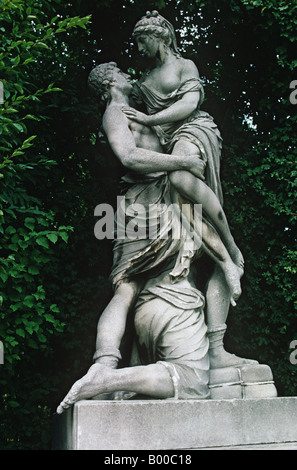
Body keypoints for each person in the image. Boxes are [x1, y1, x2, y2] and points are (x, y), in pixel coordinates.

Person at [56, 62, 246, 413]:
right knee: (128, 286)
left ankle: (106, 365)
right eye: (121, 72)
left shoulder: (135, 112)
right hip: (141, 201)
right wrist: (181, 164)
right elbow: (128, 155)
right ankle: (105, 366)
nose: (130, 76)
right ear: (110, 81)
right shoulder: (115, 112)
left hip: (148, 200)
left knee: (129, 285)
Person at [122, 11, 257, 368]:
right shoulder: (143, 79)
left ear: (159, 37)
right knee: (188, 222)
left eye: (142, 40)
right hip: (167, 152)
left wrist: (150, 119)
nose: (138, 48)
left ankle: (230, 248)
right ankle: (227, 269)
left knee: (182, 179)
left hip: (194, 132)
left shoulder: (184, 66)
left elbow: (189, 105)